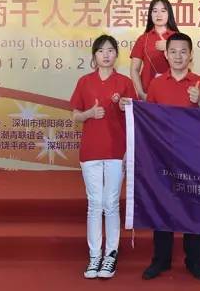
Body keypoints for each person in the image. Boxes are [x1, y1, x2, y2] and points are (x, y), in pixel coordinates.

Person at [141, 32, 200, 281]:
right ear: (166, 54)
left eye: (183, 51)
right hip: (163, 156)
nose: (178, 56)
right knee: (162, 206)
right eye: (173, 51)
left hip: (194, 157)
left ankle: (194, 261)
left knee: (193, 208)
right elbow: (148, 120)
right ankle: (160, 260)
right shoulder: (156, 84)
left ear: (191, 55)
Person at [70, 35, 137, 279]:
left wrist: (127, 107)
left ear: (116, 55)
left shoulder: (125, 82)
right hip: (90, 151)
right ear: (94, 56)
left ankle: (110, 254)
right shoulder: (85, 82)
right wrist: (89, 113)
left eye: (110, 50)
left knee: (110, 203)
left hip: (116, 151)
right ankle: (94, 255)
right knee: (95, 203)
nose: (106, 54)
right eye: (101, 51)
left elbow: (135, 114)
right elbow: (75, 115)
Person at [130, 0, 179, 100]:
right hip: (148, 93)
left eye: (163, 11)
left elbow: (187, 61)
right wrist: (141, 93)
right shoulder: (143, 39)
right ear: (150, 14)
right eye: (155, 11)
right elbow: (134, 69)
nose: (158, 15)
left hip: (174, 92)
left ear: (169, 14)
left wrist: (169, 46)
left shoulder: (178, 38)